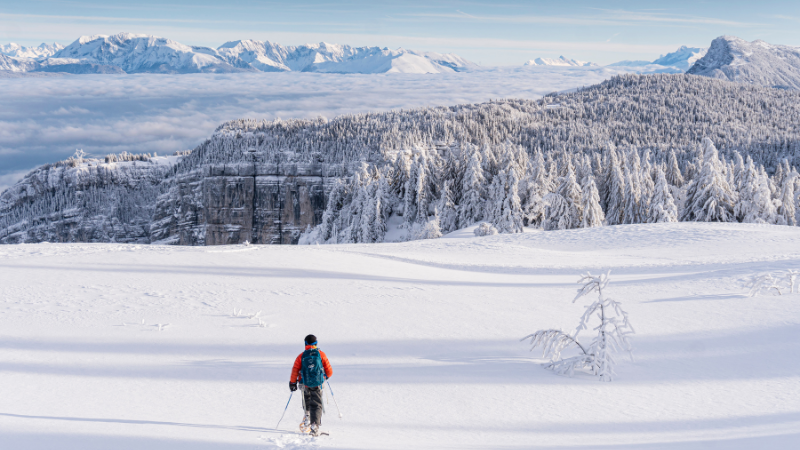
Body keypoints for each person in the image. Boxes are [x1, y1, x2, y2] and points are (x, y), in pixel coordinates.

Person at [290, 334, 333, 436]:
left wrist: (292, 382)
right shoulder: (321, 354)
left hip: (304, 384)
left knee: (306, 400)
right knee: (317, 404)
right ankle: (314, 427)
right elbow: (329, 371)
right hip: (317, 384)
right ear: (316, 343)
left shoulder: (301, 356)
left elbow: (295, 370)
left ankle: (307, 416)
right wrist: (324, 378)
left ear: (305, 344)